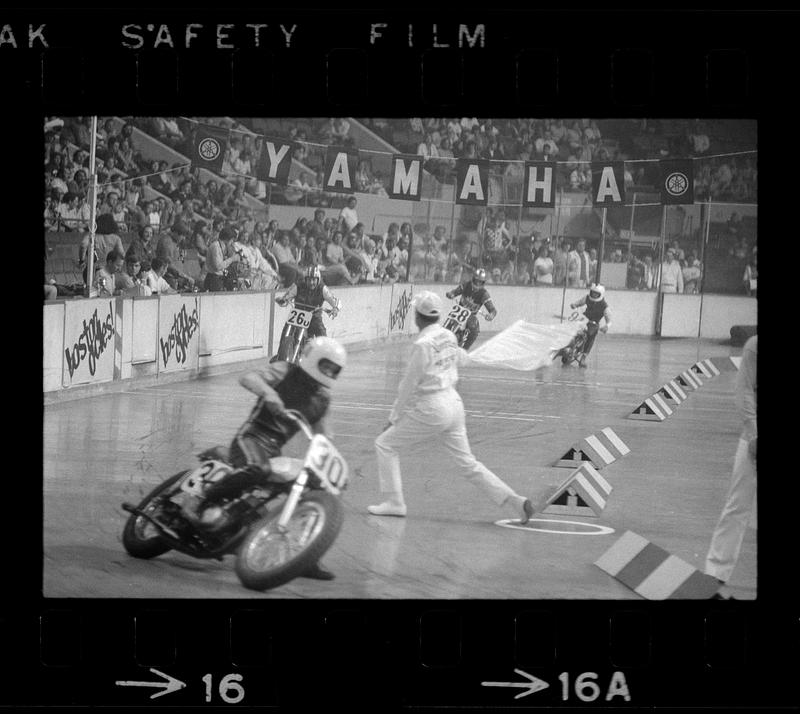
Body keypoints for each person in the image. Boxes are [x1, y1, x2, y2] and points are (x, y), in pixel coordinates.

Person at [183, 337, 348, 580]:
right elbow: (248, 377)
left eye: (334, 369)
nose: (329, 372)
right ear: (313, 357)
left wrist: (328, 464)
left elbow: (323, 436)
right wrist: (269, 393)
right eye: (326, 365)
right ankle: (199, 499)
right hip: (250, 438)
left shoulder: (323, 399)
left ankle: (306, 555)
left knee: (313, 490)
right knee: (256, 469)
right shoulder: (286, 371)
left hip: (273, 451)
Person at [368, 291, 534, 523]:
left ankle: (395, 502)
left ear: (417, 316)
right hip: (454, 404)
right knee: (468, 463)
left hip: (433, 407)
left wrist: (393, 417)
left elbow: (408, 384)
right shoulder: (448, 335)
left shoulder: (422, 345)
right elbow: (459, 358)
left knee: (384, 444)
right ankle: (515, 501)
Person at [704, 335, 757, 597]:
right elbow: (745, 390)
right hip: (753, 440)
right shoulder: (754, 347)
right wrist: (753, 432)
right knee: (737, 506)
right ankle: (715, 573)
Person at [275, 265, 342, 339]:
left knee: (322, 334)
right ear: (305, 279)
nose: (311, 282)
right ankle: (283, 348)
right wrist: (283, 300)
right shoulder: (298, 286)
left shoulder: (323, 289)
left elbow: (335, 300)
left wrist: (335, 308)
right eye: (309, 280)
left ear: (318, 280)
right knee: (286, 330)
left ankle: (324, 349)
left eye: (314, 280)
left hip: (314, 316)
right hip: (297, 314)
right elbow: (287, 296)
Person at [444, 267, 497, 350]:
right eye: (476, 281)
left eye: (480, 282)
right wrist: (451, 294)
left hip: (470, 315)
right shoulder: (466, 285)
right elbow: (455, 292)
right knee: (449, 321)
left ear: (483, 283)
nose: (478, 284)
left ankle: (464, 349)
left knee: (474, 327)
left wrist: (491, 316)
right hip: (458, 311)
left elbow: (493, 310)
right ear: (473, 279)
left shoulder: (484, 294)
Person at [567, 283, 612, 367]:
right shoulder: (587, 298)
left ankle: (583, 358)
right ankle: (567, 346)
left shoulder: (605, 306)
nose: (594, 295)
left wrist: (607, 326)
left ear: (601, 294)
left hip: (593, 323)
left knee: (591, 335)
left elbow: (609, 320)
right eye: (593, 292)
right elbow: (579, 302)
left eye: (596, 293)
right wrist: (574, 305)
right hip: (583, 318)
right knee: (570, 327)